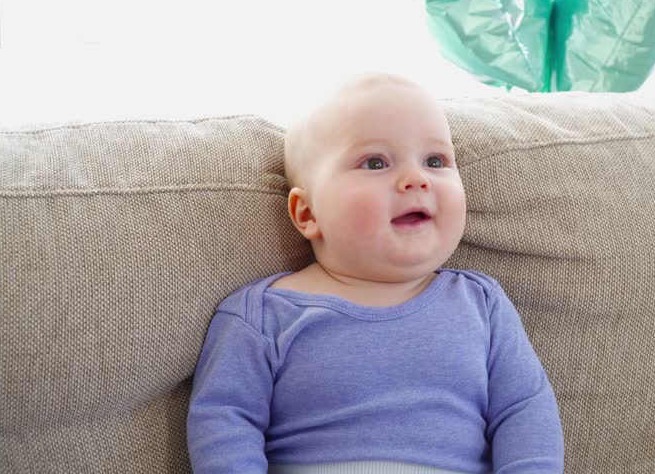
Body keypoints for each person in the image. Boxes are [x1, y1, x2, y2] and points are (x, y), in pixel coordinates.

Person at [186, 73, 565, 474]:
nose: (416, 179)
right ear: (308, 213)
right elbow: (224, 420)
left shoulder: (481, 304)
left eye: (435, 161)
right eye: (376, 162)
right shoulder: (262, 316)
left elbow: (525, 409)